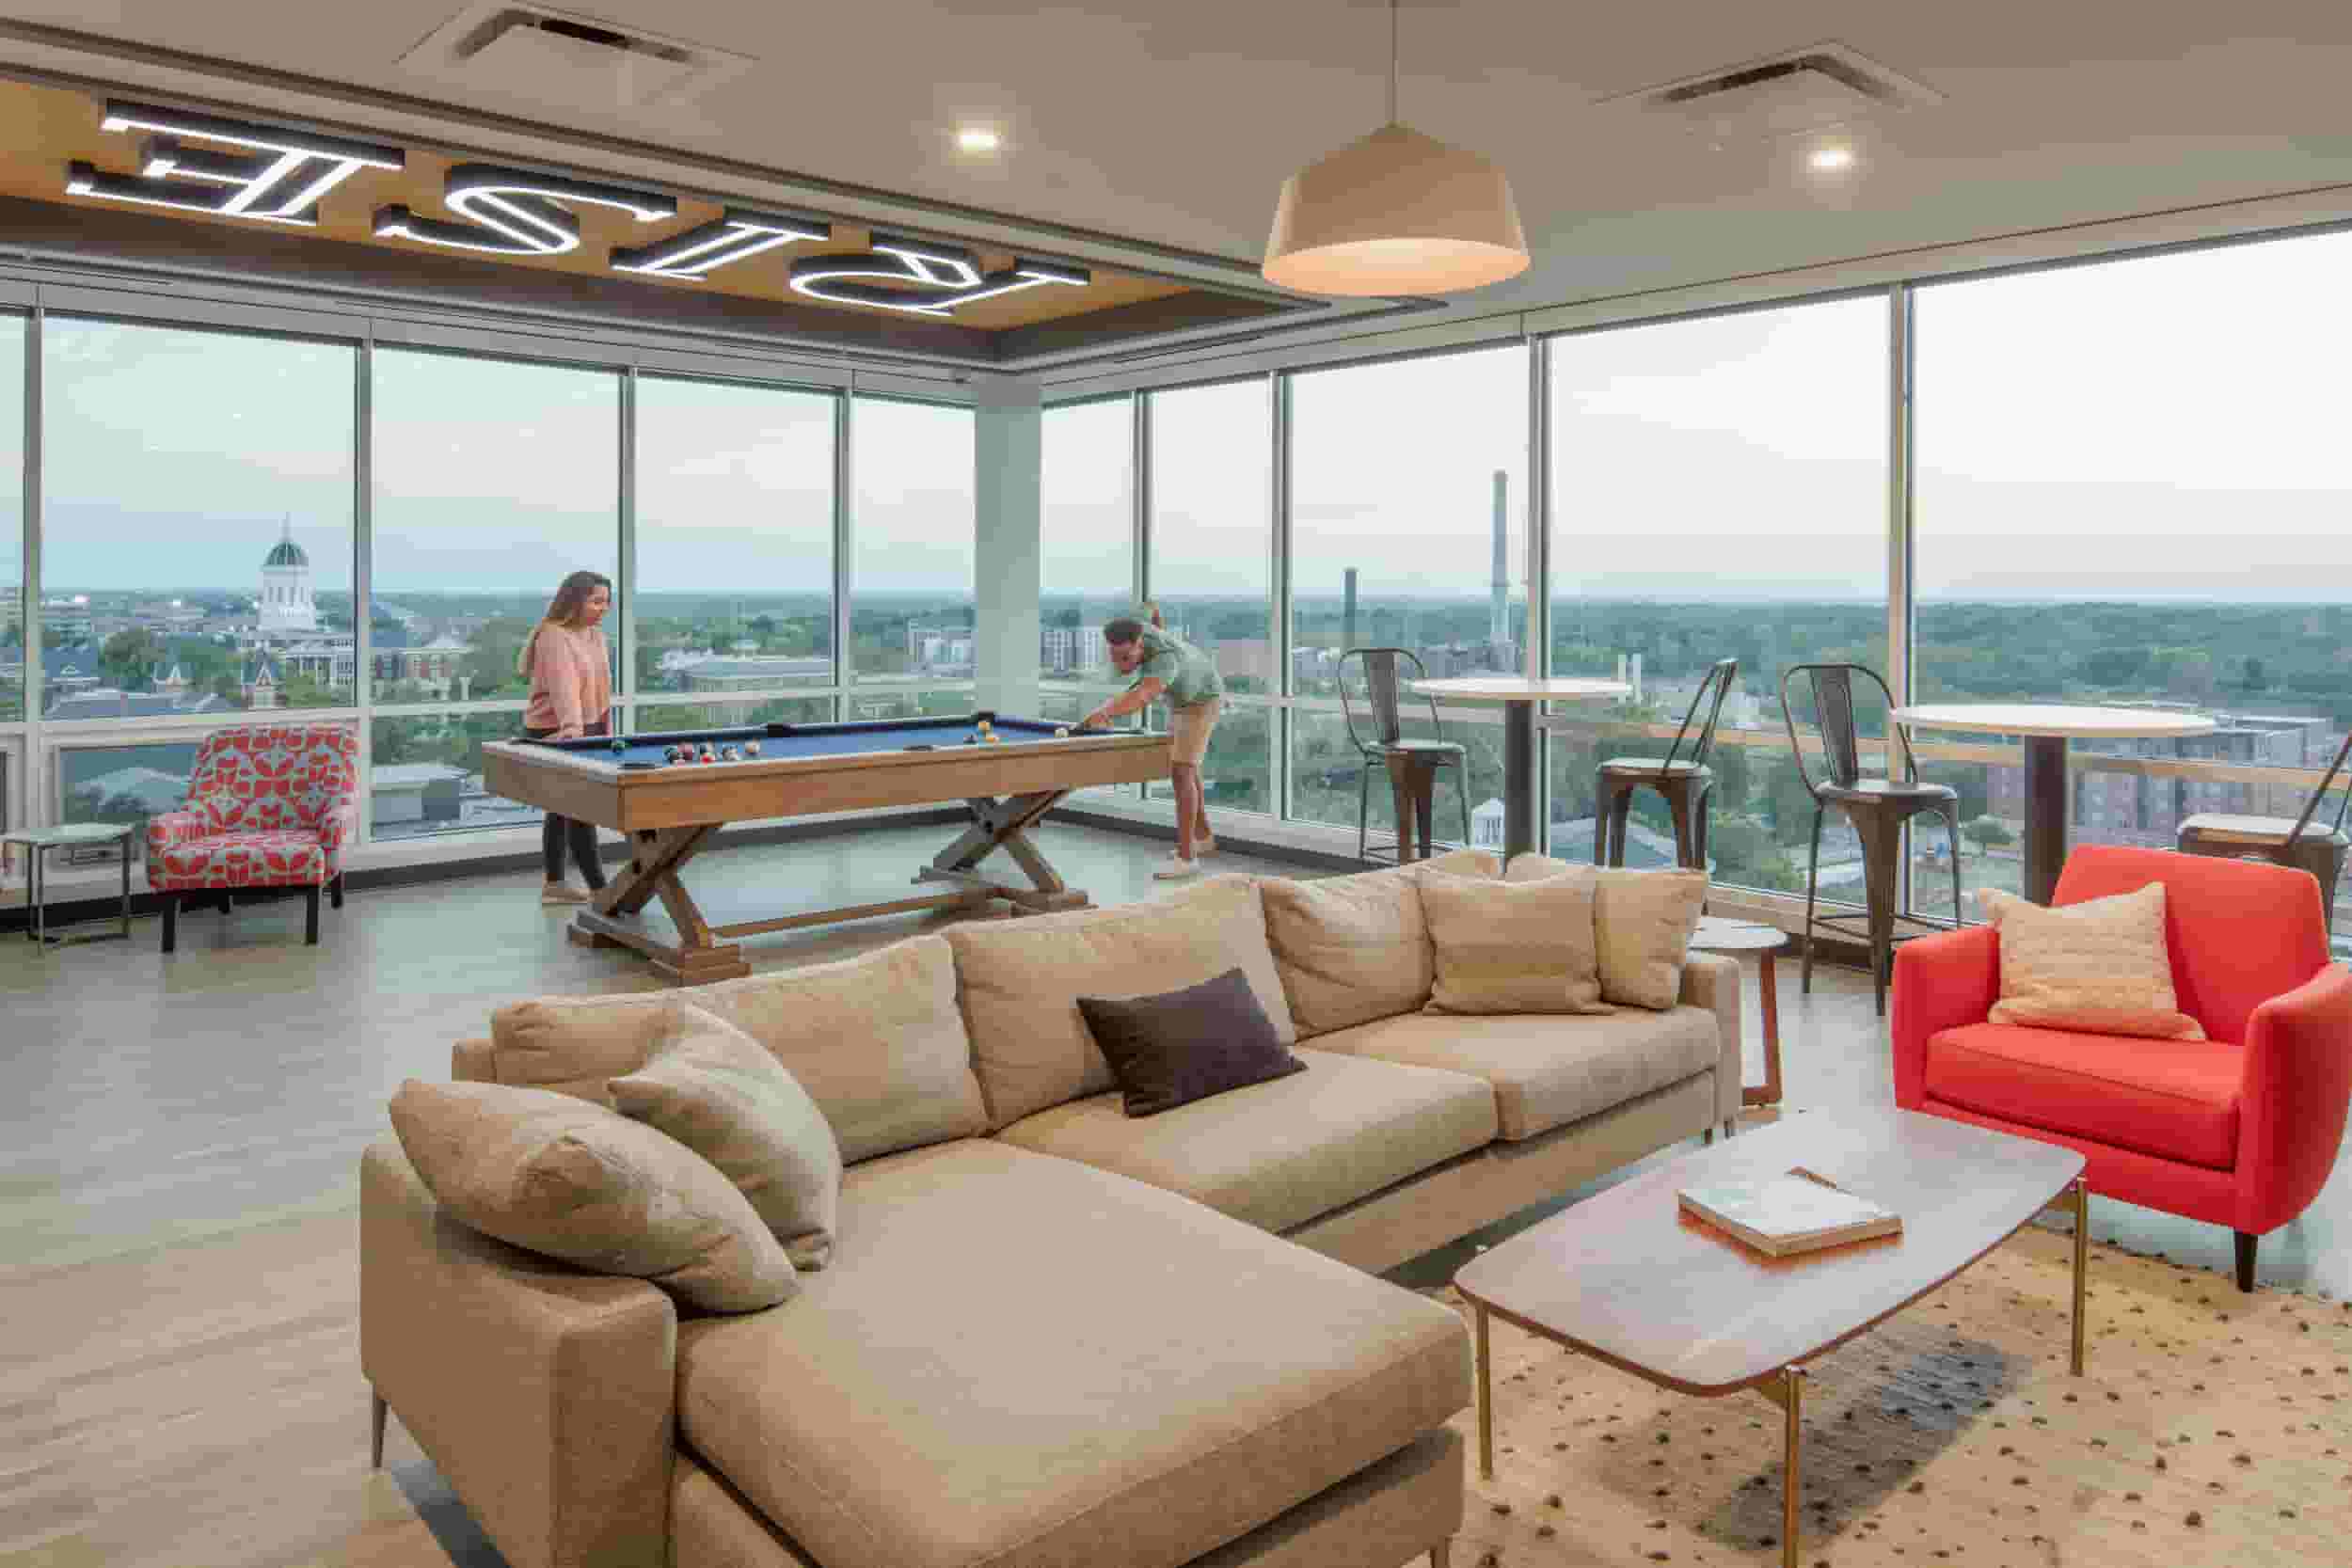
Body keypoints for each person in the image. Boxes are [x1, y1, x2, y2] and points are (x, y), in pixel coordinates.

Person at [1081, 603, 1222, 879]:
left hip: (1201, 701)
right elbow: (1150, 608)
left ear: (1139, 645)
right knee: (1187, 769)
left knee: (1181, 772)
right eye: (1114, 655)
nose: (1119, 664)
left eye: (1125, 657)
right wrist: (1158, 620)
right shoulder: (1138, 627)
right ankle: (1202, 838)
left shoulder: (1164, 662)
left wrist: (1105, 712)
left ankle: (1187, 858)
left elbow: (1142, 696)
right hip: (1181, 699)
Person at [519, 570, 614, 906]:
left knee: (560, 810)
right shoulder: (553, 635)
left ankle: (554, 884)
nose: (603, 608)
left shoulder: (595, 636)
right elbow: (564, 688)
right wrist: (573, 731)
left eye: (606, 602)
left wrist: (604, 731)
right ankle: (601, 890)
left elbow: (602, 688)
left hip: (585, 728)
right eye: (596, 601)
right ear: (575, 600)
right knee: (579, 807)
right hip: (553, 729)